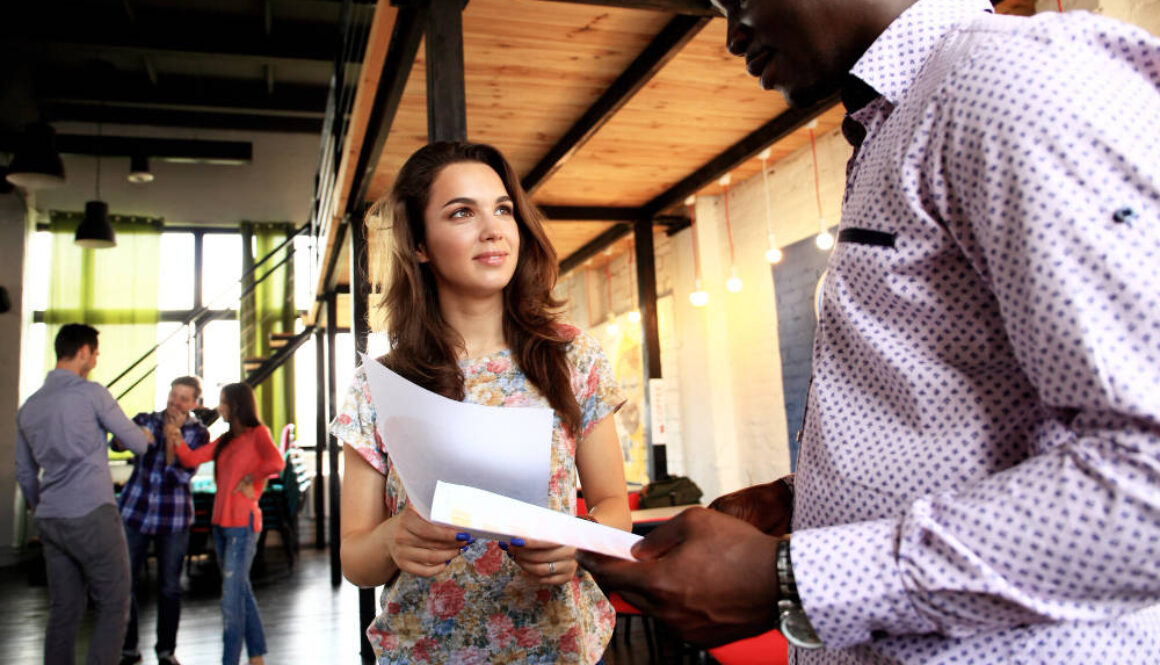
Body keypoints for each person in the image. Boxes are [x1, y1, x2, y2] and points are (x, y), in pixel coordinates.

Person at [579, 0, 1160, 662]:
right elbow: (965, 421)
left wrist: (794, 577)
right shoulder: (907, 114)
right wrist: (805, 501)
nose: (732, 35)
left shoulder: (1007, 83)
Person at [332, 141, 632, 664]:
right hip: (424, 651)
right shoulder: (377, 384)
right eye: (461, 212)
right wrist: (391, 540)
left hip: (559, 647)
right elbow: (356, 560)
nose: (493, 229)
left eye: (503, 209)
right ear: (420, 244)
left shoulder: (571, 356)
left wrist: (577, 542)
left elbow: (614, 508)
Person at [16, 323, 153, 665]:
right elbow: (136, 444)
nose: (96, 359)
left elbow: (24, 473)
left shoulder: (29, 407)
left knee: (65, 608)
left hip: (51, 518)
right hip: (92, 513)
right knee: (114, 600)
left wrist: (40, 505)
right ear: (82, 353)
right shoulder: (92, 394)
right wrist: (147, 435)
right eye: (95, 353)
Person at [172, 383, 284, 665]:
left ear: (236, 405)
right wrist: (175, 436)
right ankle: (256, 656)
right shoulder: (225, 439)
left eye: (223, 403)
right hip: (220, 526)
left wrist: (251, 478)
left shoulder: (257, 434)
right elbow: (190, 458)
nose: (219, 408)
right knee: (240, 592)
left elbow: (276, 463)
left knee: (230, 602)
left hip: (242, 527)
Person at [116, 376, 210, 665]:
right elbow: (117, 445)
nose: (176, 402)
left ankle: (166, 651)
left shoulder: (199, 434)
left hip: (174, 520)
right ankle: (128, 649)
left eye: (184, 398)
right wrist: (130, 436)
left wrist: (173, 442)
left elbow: (178, 475)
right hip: (135, 514)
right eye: (173, 395)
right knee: (125, 584)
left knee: (169, 587)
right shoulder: (145, 418)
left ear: (194, 403)